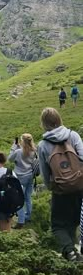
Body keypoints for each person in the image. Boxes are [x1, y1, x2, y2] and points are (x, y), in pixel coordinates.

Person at [38, 107, 83, 262]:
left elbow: (45, 173)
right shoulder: (73, 136)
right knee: (78, 221)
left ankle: (70, 253)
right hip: (80, 187)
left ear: (43, 124)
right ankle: (77, 251)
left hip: (60, 191)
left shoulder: (43, 145)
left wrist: (52, 187)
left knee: (59, 226)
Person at [8, 133, 37, 228]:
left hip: (20, 177)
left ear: (22, 141)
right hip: (30, 176)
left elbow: (10, 159)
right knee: (28, 197)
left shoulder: (18, 152)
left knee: (18, 198)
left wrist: (13, 147)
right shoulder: (33, 151)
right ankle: (28, 216)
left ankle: (21, 220)